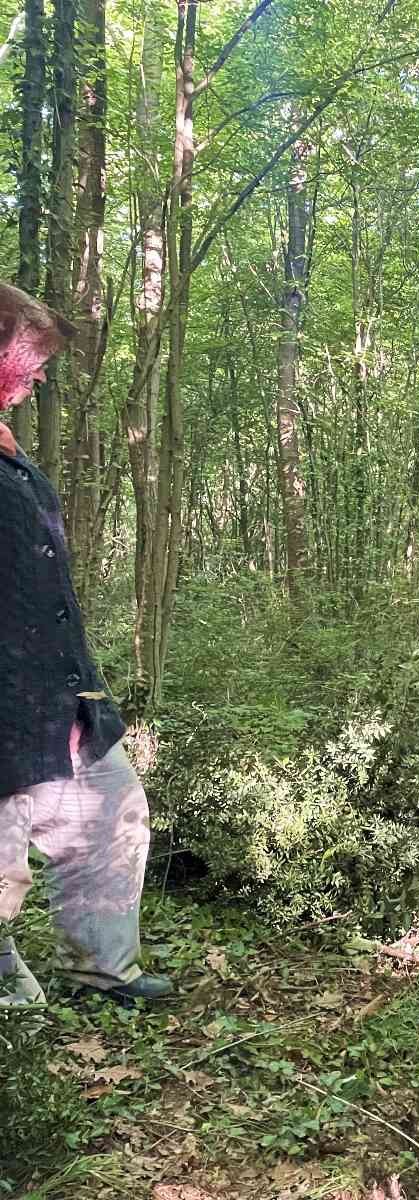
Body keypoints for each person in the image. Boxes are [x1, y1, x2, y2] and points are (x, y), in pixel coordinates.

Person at [0, 282, 173, 1007]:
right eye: (28, 357)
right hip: (4, 719)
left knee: (115, 810)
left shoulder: (9, 456)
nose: (37, 375)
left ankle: (103, 973)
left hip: (56, 702)